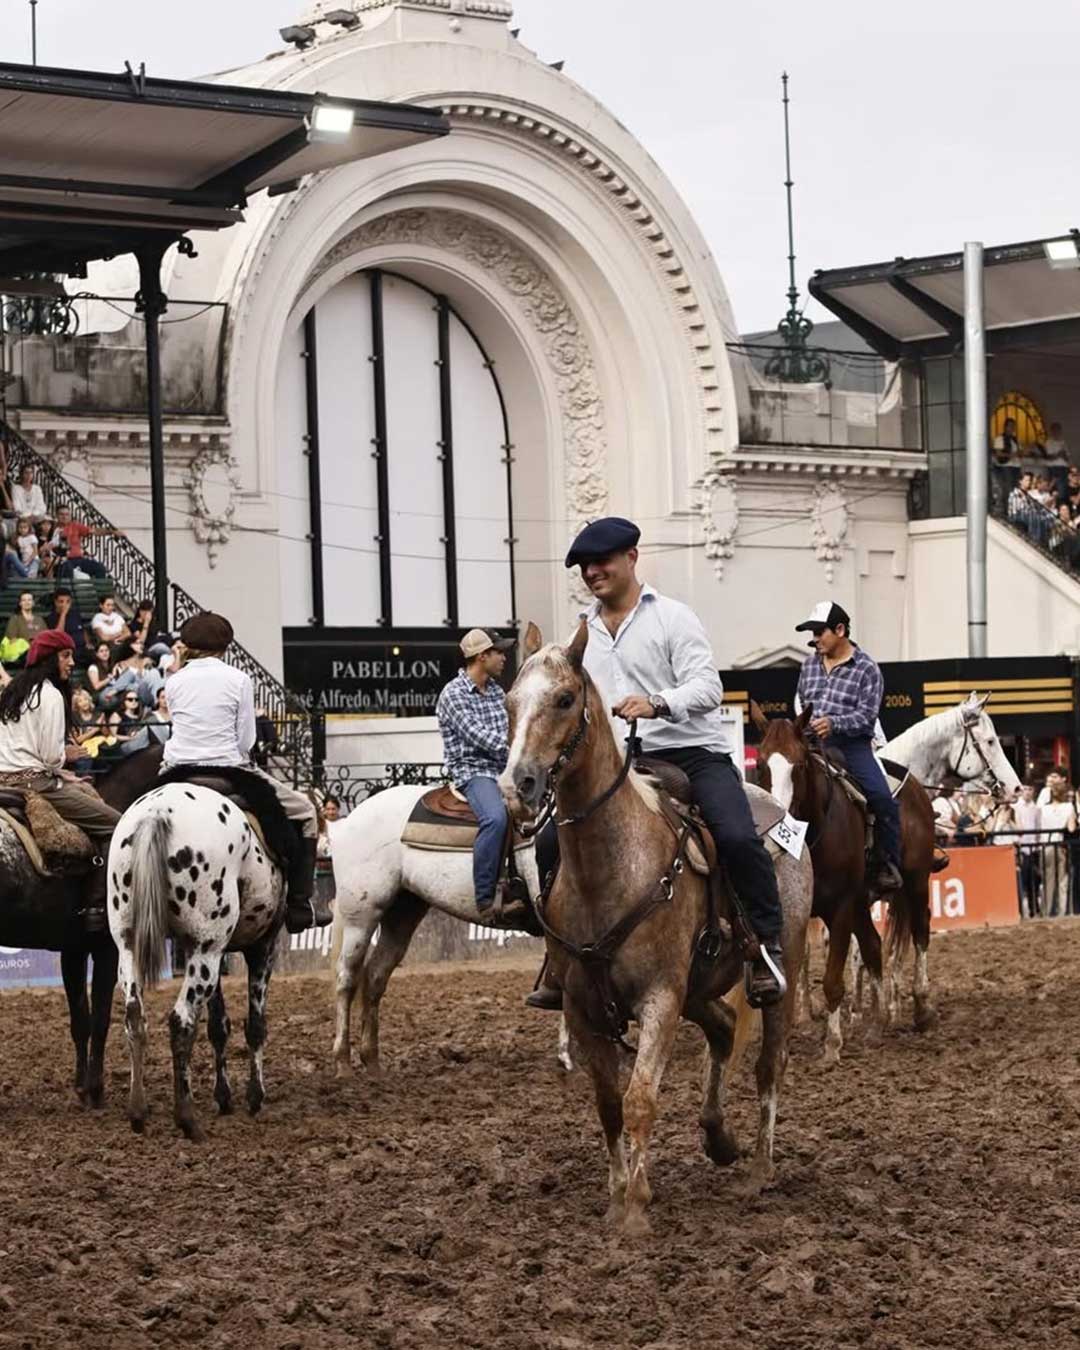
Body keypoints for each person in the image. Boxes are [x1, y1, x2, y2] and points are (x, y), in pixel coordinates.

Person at [532, 517, 788, 1010]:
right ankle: (559, 958)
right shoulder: (579, 636)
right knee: (549, 843)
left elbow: (709, 688)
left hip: (693, 754)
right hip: (623, 762)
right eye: (584, 566)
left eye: (602, 561)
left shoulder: (673, 617)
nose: (592, 571)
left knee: (735, 835)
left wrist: (658, 702)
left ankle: (762, 946)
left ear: (631, 557)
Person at [162, 612, 321, 933]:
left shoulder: (174, 680)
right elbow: (247, 740)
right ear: (225, 647)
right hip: (228, 769)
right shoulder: (238, 679)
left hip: (177, 770)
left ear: (188, 645)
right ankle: (300, 904)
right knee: (306, 812)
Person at [0, 629, 119, 927]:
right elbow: (50, 757)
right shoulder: (50, 694)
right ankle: (96, 905)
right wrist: (69, 756)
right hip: (35, 783)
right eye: (65, 656)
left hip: (4, 779)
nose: (71, 662)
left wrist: (59, 768)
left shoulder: (12, 690)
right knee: (119, 826)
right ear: (49, 659)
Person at [795, 600, 903, 894]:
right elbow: (802, 702)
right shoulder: (808, 665)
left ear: (840, 630)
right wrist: (805, 724)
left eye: (820, 632)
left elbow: (868, 715)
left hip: (852, 746)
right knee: (784, 788)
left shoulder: (867, 668)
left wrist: (834, 723)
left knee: (883, 799)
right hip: (812, 743)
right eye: (813, 633)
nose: (815, 639)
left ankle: (886, 864)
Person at [435, 627, 518, 923]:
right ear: (482, 656)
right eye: (499, 652)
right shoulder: (452, 695)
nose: (504, 658)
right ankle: (484, 899)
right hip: (473, 772)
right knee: (495, 817)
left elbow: (510, 728)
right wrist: (519, 750)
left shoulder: (497, 691)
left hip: (504, 767)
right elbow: (480, 737)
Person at [54, 505, 121, 580]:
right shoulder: (53, 529)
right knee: (67, 568)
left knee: (99, 568)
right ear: (57, 515)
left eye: (67, 514)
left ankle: (100, 591)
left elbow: (94, 531)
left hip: (78, 559)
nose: (64, 517)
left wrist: (112, 532)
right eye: (61, 514)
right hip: (63, 560)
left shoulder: (75, 526)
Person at [1039, 779, 1075, 918]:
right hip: (1059, 846)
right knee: (1062, 881)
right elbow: (1071, 828)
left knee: (1047, 881)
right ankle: (1061, 912)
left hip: (1045, 845)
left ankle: (1045, 912)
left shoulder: (1044, 808)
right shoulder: (1068, 807)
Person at [1013, 784, 1042, 918]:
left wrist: (1037, 845)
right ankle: (1022, 911)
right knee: (1022, 881)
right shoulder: (1016, 807)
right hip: (1021, 848)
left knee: (1034, 881)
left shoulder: (1036, 808)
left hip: (1033, 848)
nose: (1027, 792)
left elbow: (1038, 826)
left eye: (1030, 789)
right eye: (1025, 789)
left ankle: (1034, 909)